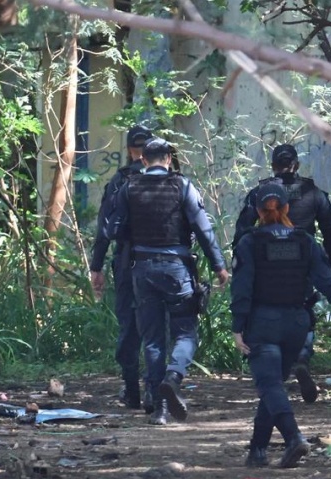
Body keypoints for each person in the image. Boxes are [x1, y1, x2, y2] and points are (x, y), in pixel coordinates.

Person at [231, 183, 331, 468]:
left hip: (262, 324)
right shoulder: (305, 241)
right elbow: (327, 282)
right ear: (287, 208)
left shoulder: (250, 242)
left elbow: (242, 288)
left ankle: (293, 438)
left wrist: (237, 326)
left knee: (269, 385)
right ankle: (257, 450)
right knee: (273, 385)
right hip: (296, 325)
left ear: (257, 211)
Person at [109, 137, 230, 425]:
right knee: (186, 333)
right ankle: (173, 377)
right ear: (167, 159)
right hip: (177, 269)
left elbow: (117, 230)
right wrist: (219, 266)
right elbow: (203, 229)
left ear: (143, 160)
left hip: (142, 269)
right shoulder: (182, 185)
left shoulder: (129, 187)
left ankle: (160, 410)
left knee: (152, 340)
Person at [233, 144, 331, 404]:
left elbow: (242, 229)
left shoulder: (260, 192)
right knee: (303, 309)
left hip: (266, 260)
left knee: (267, 311)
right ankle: (302, 358)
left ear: (272, 165)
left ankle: (273, 368)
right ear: (297, 165)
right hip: (303, 260)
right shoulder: (314, 193)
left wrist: (246, 257)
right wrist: (323, 264)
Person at [90, 125, 153, 410]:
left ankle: (131, 389)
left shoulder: (119, 181)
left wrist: (97, 266)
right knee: (157, 325)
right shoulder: (172, 180)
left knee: (128, 325)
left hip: (128, 262)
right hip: (161, 263)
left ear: (130, 149)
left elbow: (105, 228)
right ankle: (154, 387)